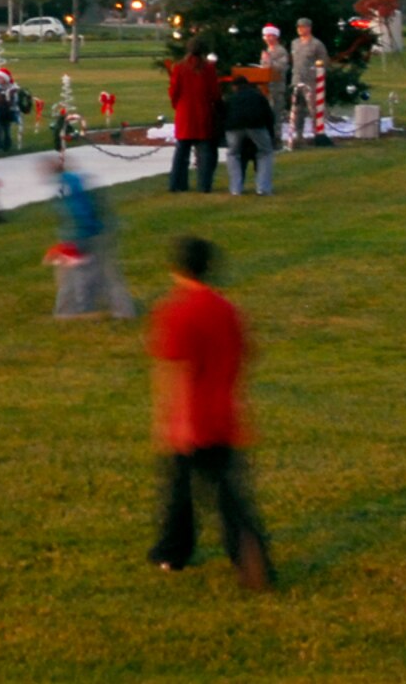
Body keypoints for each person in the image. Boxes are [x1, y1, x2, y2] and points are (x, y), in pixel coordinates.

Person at [146, 236, 272, 589]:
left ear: (176, 269)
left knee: (181, 491)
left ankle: (174, 551)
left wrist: (172, 421)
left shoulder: (176, 312)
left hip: (192, 418)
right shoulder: (227, 309)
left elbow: (176, 369)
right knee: (228, 494)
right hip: (224, 413)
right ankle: (246, 555)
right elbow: (244, 355)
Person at [46, 158, 136, 319]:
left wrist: (73, 239)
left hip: (82, 234)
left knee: (68, 276)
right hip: (99, 231)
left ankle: (67, 311)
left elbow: (78, 212)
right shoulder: (79, 179)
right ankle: (121, 309)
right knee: (104, 273)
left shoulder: (64, 186)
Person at [167, 38, 221, 194]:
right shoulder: (208, 69)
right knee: (204, 152)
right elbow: (214, 92)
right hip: (202, 113)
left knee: (181, 152)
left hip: (184, 113)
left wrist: (178, 105)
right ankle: (204, 185)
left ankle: (177, 184)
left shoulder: (179, 67)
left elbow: (174, 91)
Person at [223, 77, 277, 197]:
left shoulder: (231, 98)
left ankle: (235, 189)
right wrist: (271, 135)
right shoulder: (258, 96)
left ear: (234, 87)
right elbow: (269, 116)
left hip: (234, 127)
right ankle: (263, 188)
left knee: (233, 154)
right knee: (265, 153)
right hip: (256, 126)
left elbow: (223, 114)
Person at [289, 17, 330, 144]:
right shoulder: (294, 43)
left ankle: (318, 134)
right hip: (297, 80)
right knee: (298, 109)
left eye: (303, 26)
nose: (300, 29)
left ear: (309, 28)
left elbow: (324, 62)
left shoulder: (316, 44)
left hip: (311, 81)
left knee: (314, 109)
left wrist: (318, 75)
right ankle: (298, 135)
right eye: (298, 27)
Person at [258, 26, 290, 129]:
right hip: (266, 87)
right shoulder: (267, 50)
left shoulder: (280, 51)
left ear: (275, 37)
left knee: (276, 113)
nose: (267, 39)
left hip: (277, 87)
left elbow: (282, 67)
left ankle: (276, 136)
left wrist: (269, 61)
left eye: (269, 36)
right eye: (265, 36)